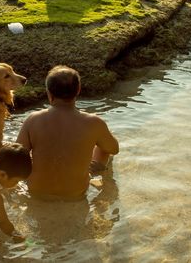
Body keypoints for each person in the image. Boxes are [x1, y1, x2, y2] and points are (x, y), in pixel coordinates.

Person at [16, 65, 119, 200]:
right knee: (105, 146)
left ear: (49, 93)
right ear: (78, 90)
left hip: (37, 190)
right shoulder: (94, 122)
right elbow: (114, 149)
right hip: (75, 193)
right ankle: (103, 184)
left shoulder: (33, 119)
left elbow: (17, 156)